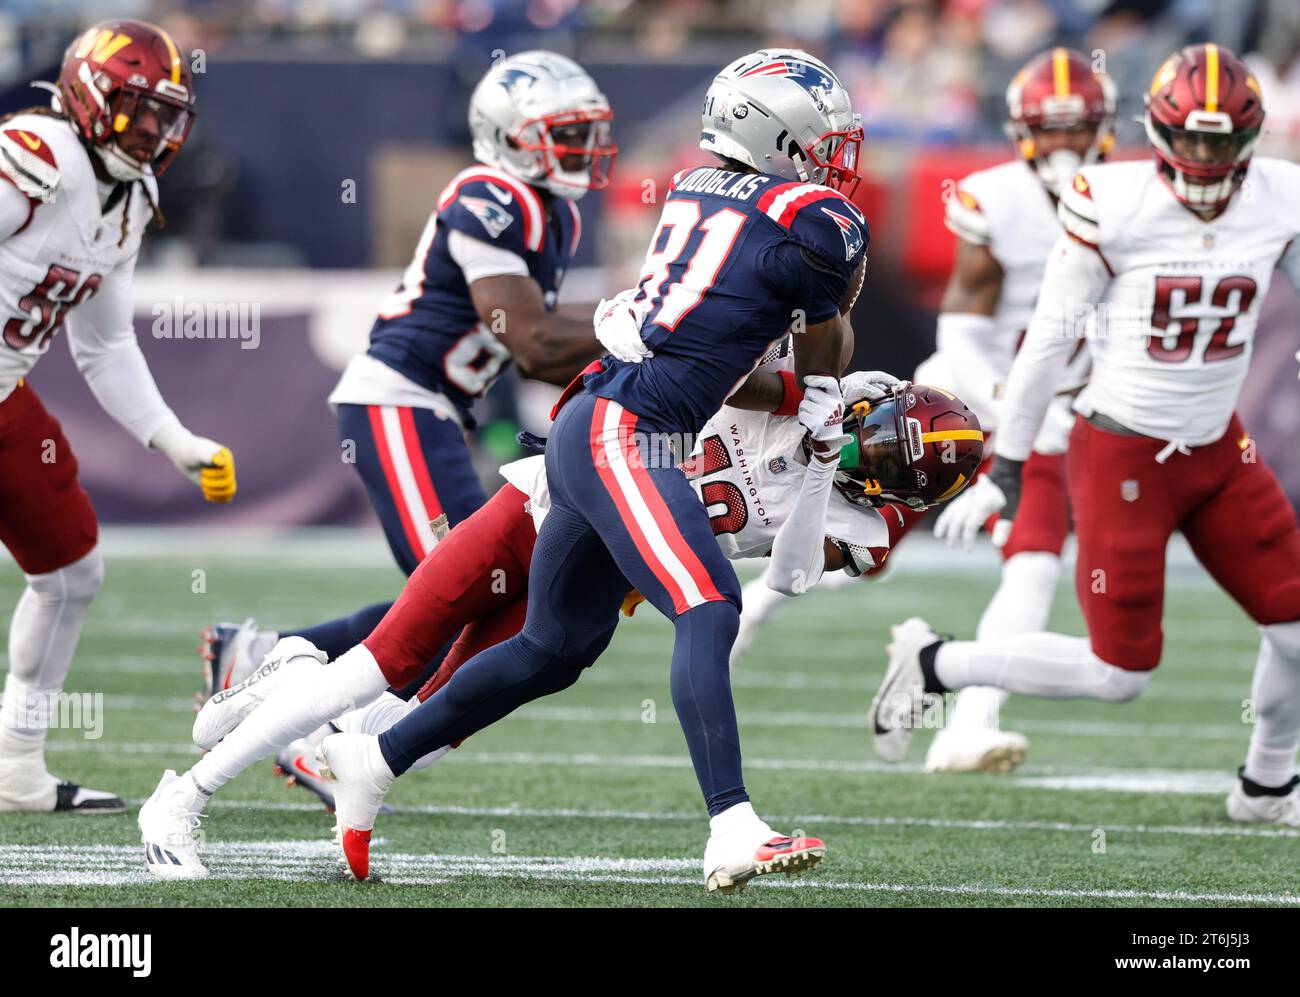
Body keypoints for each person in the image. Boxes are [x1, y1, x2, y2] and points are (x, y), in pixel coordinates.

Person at [870, 44, 1300, 827]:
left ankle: (1267, 785)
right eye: (1191, 139)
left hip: (1219, 449)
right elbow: (1045, 343)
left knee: (1296, 626)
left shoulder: (1282, 195)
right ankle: (936, 661)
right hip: (1122, 451)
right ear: (1159, 131)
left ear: (1251, 138)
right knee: (1120, 672)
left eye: (1221, 142)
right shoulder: (1113, 200)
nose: (1204, 160)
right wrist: (1007, 458)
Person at [731, 49, 1115, 778]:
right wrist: (1012, 411)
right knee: (861, 541)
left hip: (1059, 417)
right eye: (1051, 130)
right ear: (1022, 132)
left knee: (1032, 562)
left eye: (1079, 130)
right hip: (963, 402)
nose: (1065, 147)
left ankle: (970, 720)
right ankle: (751, 614)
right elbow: (963, 330)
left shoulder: (1127, 199)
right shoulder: (998, 200)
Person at [198, 51, 616, 701]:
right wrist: (644, 320)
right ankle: (303, 708)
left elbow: (543, 358)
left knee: (467, 596)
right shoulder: (491, 194)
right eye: (566, 134)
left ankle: (263, 658)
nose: (584, 149)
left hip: (436, 410)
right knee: (457, 599)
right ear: (507, 137)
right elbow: (531, 342)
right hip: (398, 401)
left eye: (588, 133)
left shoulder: (554, 212)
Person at [0, 20, 236, 814]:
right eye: (140, 109)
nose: (156, 131)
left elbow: (102, 345)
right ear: (91, 97)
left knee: (70, 573)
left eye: (167, 115)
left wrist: (174, 439)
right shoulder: (37, 157)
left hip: (3, 392)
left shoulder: (131, 199)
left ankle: (17, 768)